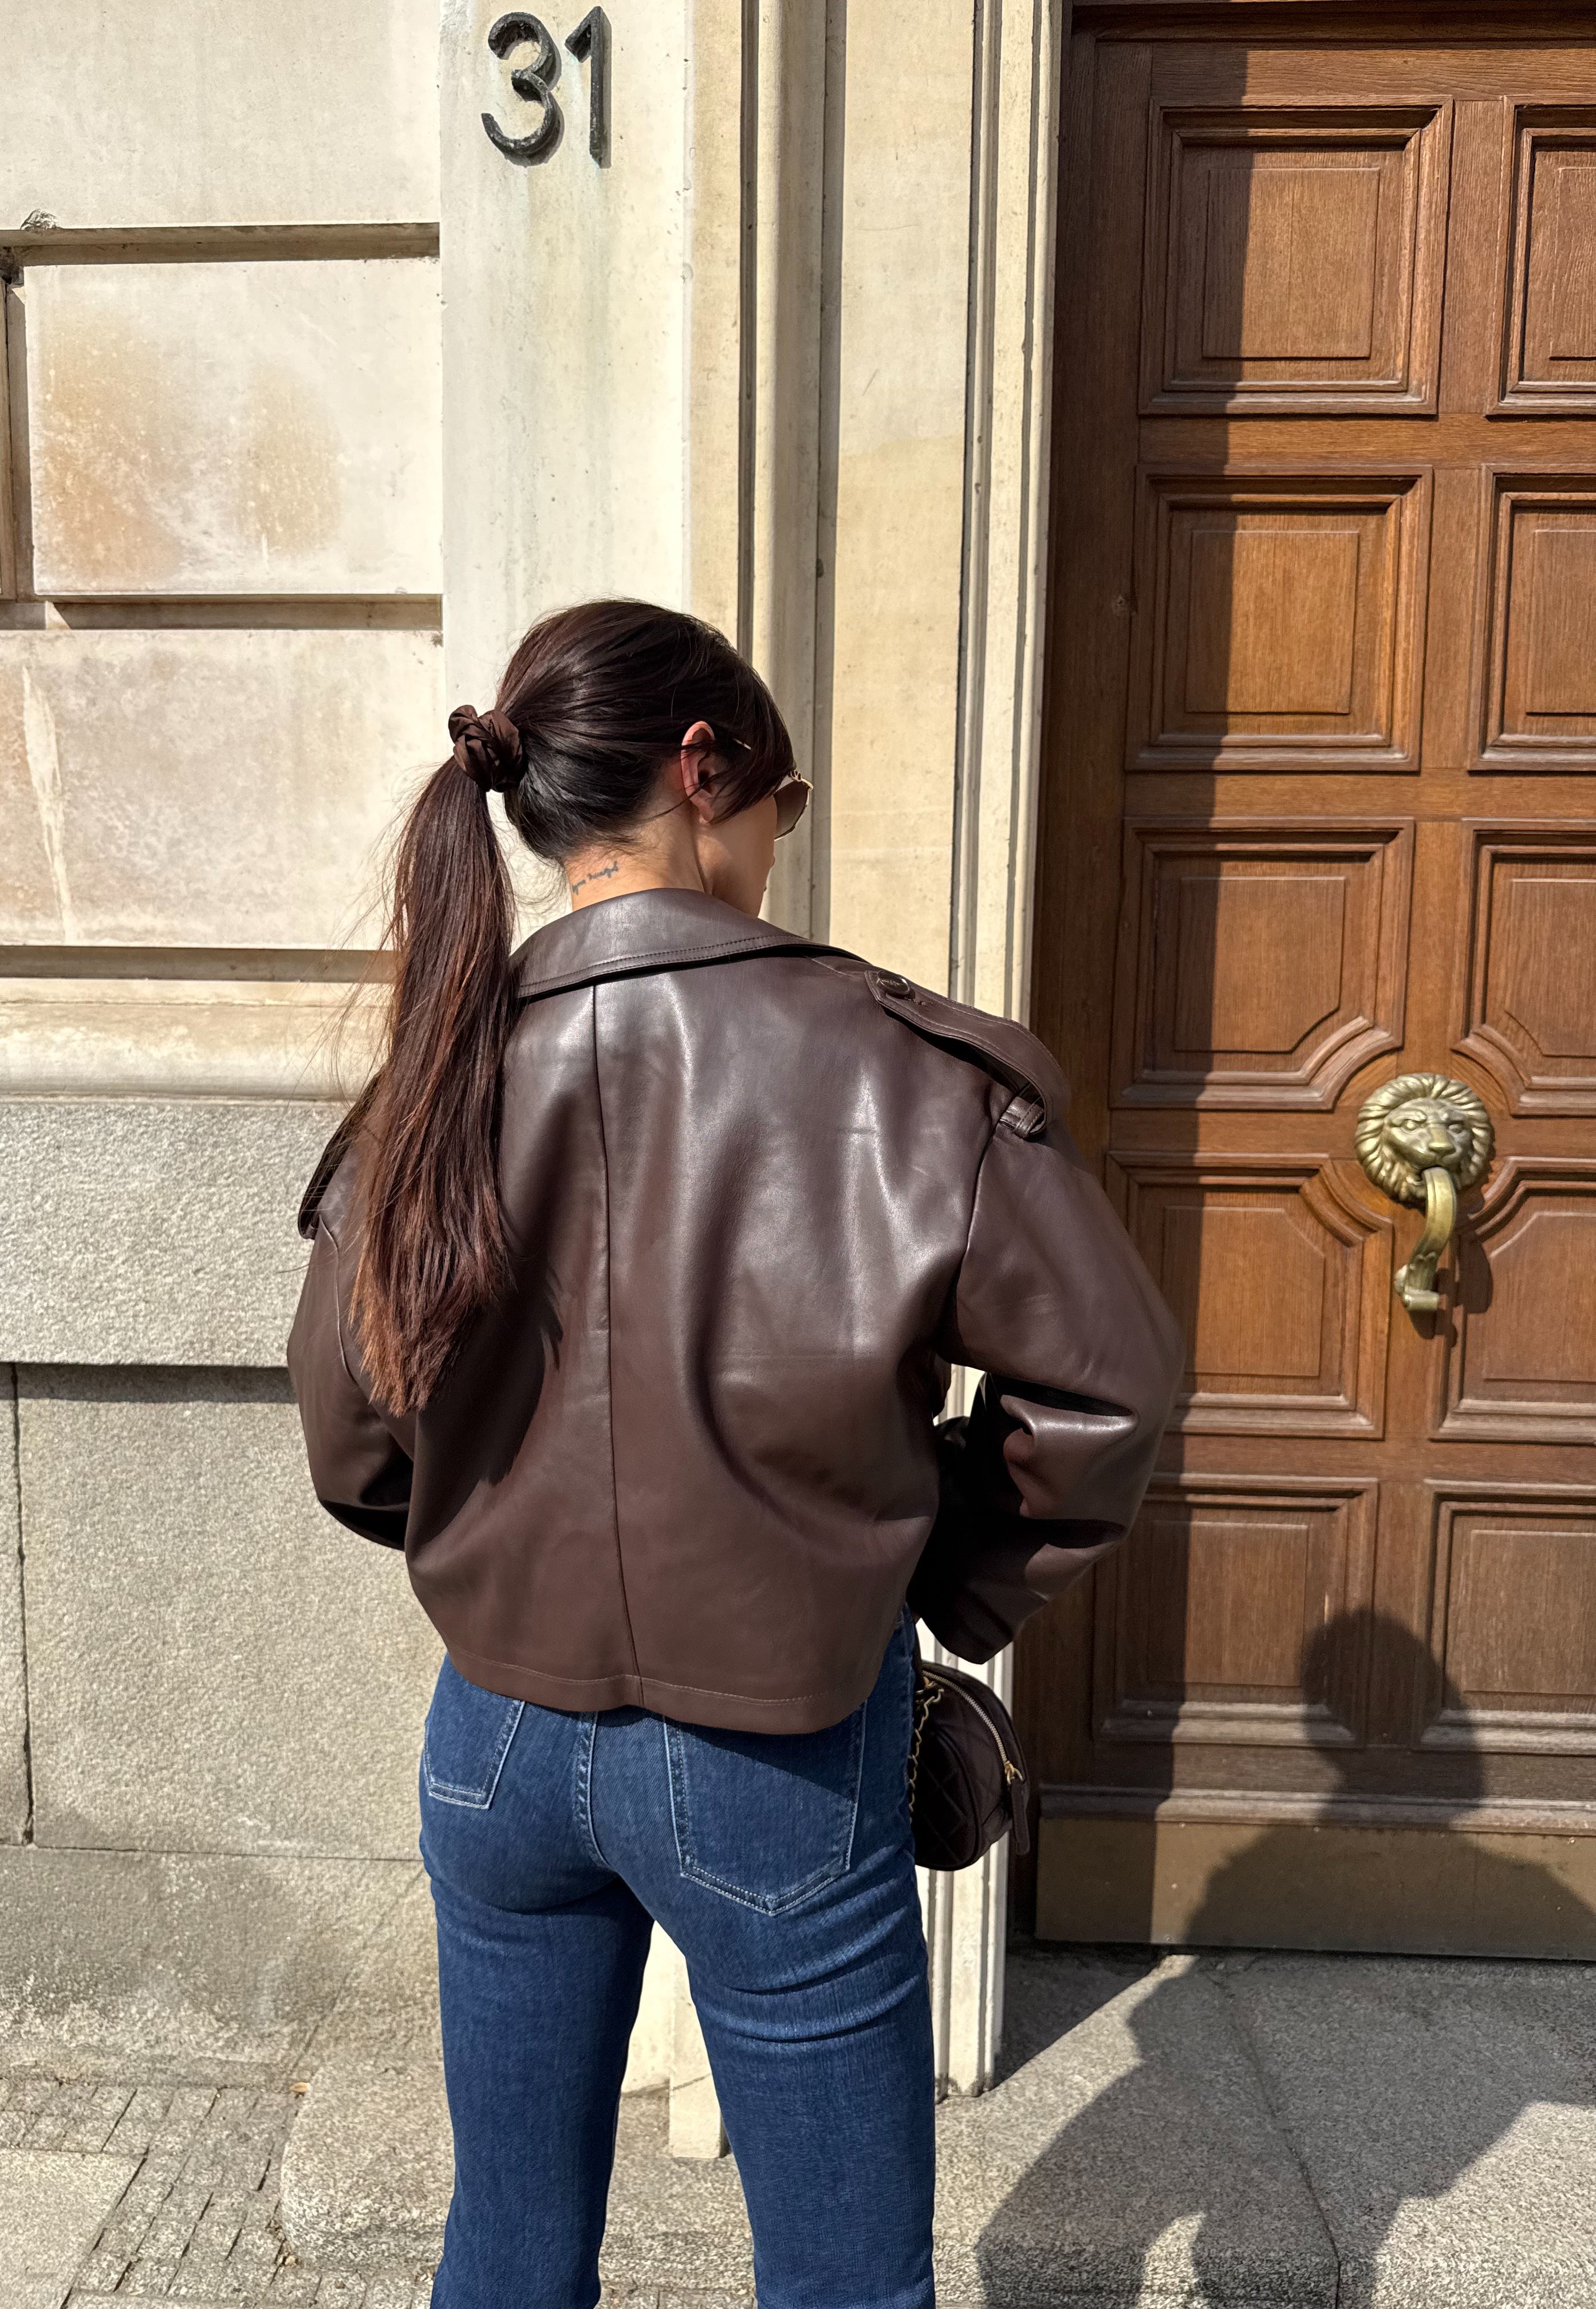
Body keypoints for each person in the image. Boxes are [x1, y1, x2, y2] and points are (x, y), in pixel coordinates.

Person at [287, 598, 1182, 2309]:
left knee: (506, 2248)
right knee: (844, 2284)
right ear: (704, 771)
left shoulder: (437, 1073)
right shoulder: (906, 1070)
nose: (781, 842)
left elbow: (349, 1436)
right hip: (777, 1757)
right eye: (784, 802)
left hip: (494, 1739)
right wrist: (907, 1572)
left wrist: (505, 1535)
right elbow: (1108, 1397)